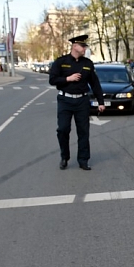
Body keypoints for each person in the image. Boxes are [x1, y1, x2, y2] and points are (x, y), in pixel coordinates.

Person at [48, 35, 105, 171]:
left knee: (83, 132)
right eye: (83, 46)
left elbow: (95, 84)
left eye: (85, 46)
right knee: (63, 129)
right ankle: (64, 157)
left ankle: (83, 160)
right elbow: (52, 80)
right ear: (75, 46)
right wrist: (68, 78)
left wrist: (100, 102)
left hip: (82, 101)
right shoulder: (61, 62)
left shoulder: (87, 63)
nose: (85, 48)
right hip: (65, 100)